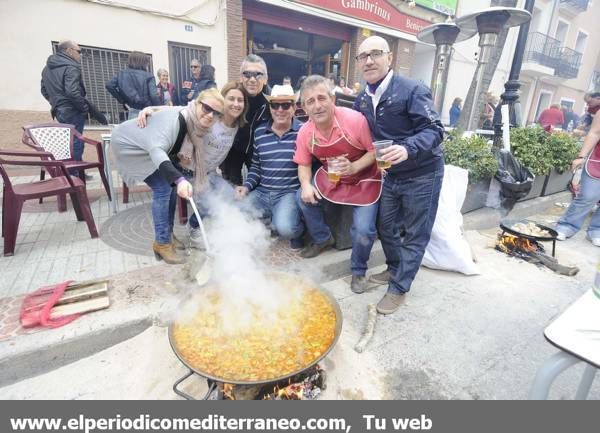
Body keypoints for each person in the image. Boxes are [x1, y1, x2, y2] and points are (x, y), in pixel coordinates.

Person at [352, 35, 444, 315]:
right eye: (363, 56)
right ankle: (394, 269)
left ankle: (399, 288)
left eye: (375, 54)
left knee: (415, 235)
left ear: (389, 58)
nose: (369, 60)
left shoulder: (412, 89)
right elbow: (360, 136)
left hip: (423, 173)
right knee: (386, 226)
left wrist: (407, 148)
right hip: (390, 175)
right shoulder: (362, 99)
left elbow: (436, 130)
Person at [110, 88, 224, 263]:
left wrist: (152, 108)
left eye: (216, 113)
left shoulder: (189, 115)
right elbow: (157, 151)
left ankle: (168, 235)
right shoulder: (178, 121)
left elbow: (167, 108)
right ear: (197, 103)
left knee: (168, 187)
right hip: (131, 147)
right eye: (207, 108)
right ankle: (162, 243)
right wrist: (179, 180)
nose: (210, 115)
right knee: (163, 187)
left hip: (150, 147)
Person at [294, 75, 381, 294]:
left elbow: (374, 152)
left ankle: (358, 270)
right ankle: (323, 238)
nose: (317, 105)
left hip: (365, 179)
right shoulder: (305, 132)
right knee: (302, 197)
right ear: (304, 107)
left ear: (333, 99)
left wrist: (353, 167)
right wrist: (306, 185)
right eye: (310, 101)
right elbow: (303, 164)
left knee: (363, 230)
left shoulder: (355, 120)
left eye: (322, 98)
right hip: (334, 179)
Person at [137, 82, 249, 247]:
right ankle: (195, 229)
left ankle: (196, 224)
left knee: (230, 196)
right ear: (222, 101)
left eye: (240, 100)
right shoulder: (211, 117)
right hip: (186, 170)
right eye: (231, 99)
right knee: (211, 203)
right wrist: (150, 110)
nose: (236, 104)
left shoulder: (239, 127)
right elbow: (182, 111)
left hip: (208, 172)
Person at [234, 85, 305, 248]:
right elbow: (256, 168)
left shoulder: (303, 131)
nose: (280, 110)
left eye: (286, 105)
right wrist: (246, 187)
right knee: (237, 212)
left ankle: (298, 228)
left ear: (294, 107)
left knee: (286, 229)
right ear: (270, 108)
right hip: (262, 193)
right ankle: (272, 219)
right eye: (275, 105)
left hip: (288, 194)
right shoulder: (260, 132)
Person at [40, 40, 107, 167]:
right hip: (72, 110)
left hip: (59, 110)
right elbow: (72, 92)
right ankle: (74, 172)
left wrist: (56, 102)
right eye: (79, 51)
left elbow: (44, 90)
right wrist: (83, 108)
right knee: (76, 141)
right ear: (69, 51)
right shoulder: (71, 66)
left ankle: (72, 170)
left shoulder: (47, 69)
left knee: (66, 142)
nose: (80, 55)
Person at [220, 54, 271, 185]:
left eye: (258, 74)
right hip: (233, 148)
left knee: (258, 187)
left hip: (257, 152)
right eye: (247, 74)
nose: (252, 79)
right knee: (230, 187)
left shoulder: (273, 102)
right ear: (241, 77)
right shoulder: (234, 95)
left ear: (265, 79)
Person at [555, 109, 600, 247]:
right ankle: (567, 225)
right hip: (598, 160)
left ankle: (596, 230)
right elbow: (595, 132)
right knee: (588, 196)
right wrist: (581, 156)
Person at [105, 51, 160, 120]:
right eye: (146, 62)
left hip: (132, 111)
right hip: (147, 112)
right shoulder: (148, 76)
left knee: (133, 130)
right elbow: (154, 96)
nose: (147, 65)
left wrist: (123, 101)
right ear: (143, 62)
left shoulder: (121, 74)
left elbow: (109, 85)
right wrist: (159, 109)